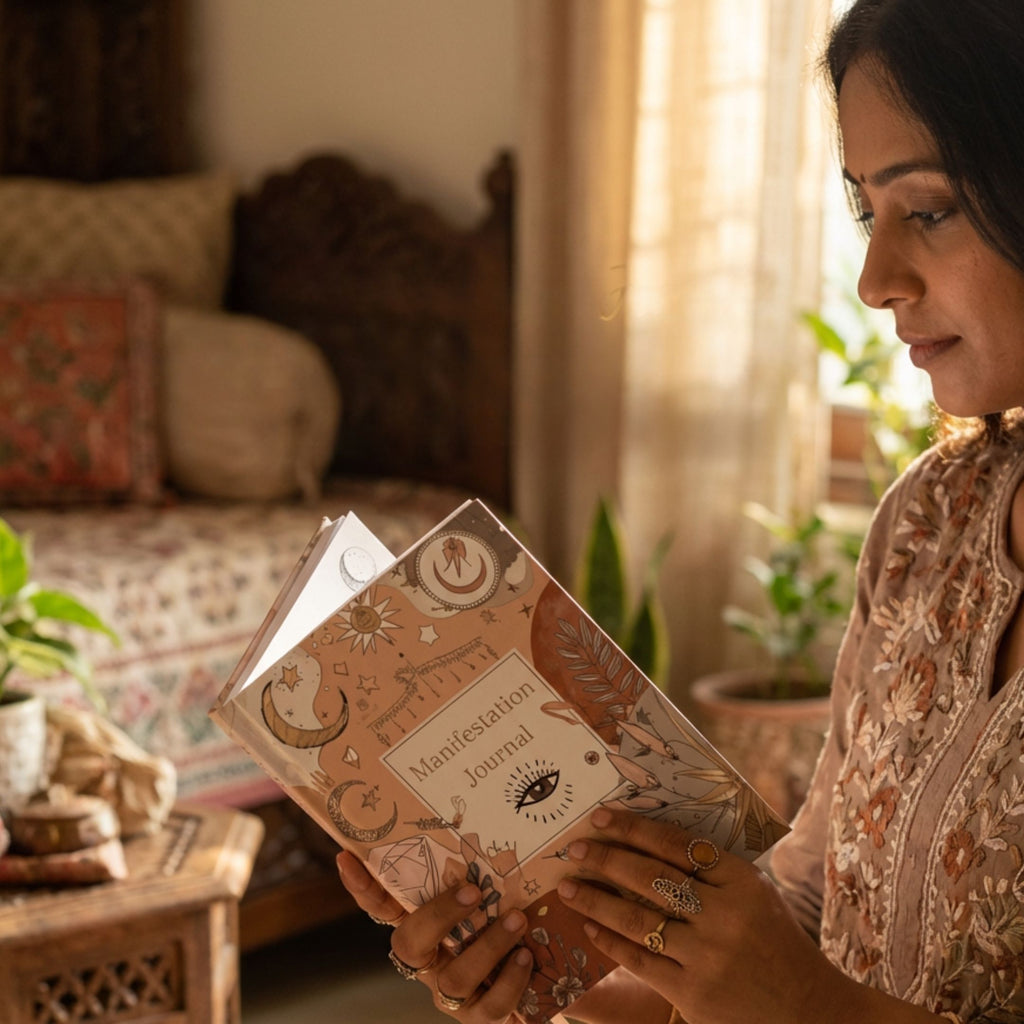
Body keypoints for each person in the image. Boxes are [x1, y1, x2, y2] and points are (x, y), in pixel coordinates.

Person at [338, 0, 1024, 1020]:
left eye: (926, 209)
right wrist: (545, 975)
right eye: (865, 211)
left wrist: (802, 1006)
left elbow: (796, 995)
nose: (874, 280)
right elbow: (811, 908)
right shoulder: (930, 521)